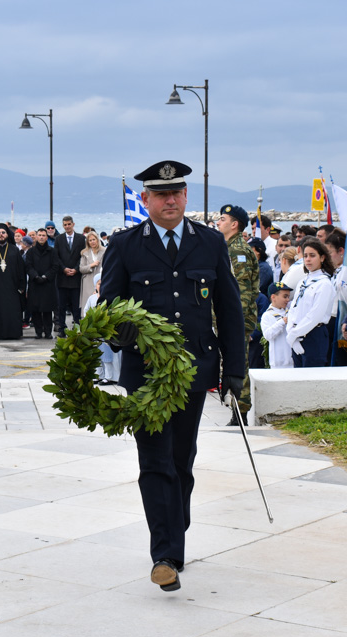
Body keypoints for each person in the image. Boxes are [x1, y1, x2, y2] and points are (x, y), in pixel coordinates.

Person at [99, 160, 245, 593]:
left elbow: (229, 310)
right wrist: (120, 332)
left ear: (185, 196)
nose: (170, 201)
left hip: (194, 369)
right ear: (145, 199)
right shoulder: (125, 245)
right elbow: (108, 308)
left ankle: (173, 530)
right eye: (161, 195)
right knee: (155, 462)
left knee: (182, 460)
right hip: (145, 373)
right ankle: (164, 555)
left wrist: (235, 369)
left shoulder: (210, 242)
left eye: (177, 193)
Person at [216, 204, 259, 424]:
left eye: (223, 219)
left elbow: (242, 293)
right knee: (230, 364)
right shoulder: (228, 247)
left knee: (238, 364)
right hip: (230, 320)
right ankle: (236, 410)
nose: (218, 222)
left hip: (236, 321)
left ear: (234, 225)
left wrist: (234, 324)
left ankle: (240, 414)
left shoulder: (237, 251)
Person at [285, 237, 336, 367]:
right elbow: (294, 308)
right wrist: (291, 332)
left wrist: (294, 334)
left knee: (312, 376)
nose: (308, 259)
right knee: (298, 375)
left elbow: (315, 315)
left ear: (322, 258)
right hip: (297, 334)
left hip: (314, 335)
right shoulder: (303, 281)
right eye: (305, 256)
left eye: (312, 256)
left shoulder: (324, 284)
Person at [25, 227, 59, 339]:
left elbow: (55, 266)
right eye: (39, 235)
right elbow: (28, 266)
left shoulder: (52, 251)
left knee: (47, 310)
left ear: (46, 237)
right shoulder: (31, 252)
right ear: (36, 237)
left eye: (43, 235)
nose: (41, 237)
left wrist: (46, 276)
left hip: (48, 284)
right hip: (35, 283)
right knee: (35, 310)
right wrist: (35, 276)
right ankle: (38, 332)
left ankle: (48, 332)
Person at [54, 215, 84, 336]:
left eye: (69, 224)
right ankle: (62, 329)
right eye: (65, 225)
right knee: (61, 306)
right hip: (62, 278)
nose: (67, 227)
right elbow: (56, 257)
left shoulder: (81, 238)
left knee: (76, 307)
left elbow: (83, 256)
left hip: (76, 279)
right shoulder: (59, 239)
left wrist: (76, 269)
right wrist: (64, 269)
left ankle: (77, 329)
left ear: (73, 224)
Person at [261, 281, 294, 368]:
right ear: (273, 297)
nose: (287, 300)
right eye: (285, 296)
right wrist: (282, 322)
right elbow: (268, 335)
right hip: (278, 362)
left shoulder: (290, 312)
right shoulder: (267, 315)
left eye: (288, 296)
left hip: (293, 360)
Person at [79, 231, 106, 306]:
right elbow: (81, 268)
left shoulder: (105, 251)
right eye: (90, 240)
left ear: (97, 240)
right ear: (88, 242)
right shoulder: (84, 253)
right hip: (88, 282)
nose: (92, 242)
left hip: (101, 281)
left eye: (94, 239)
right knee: (88, 305)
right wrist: (91, 265)